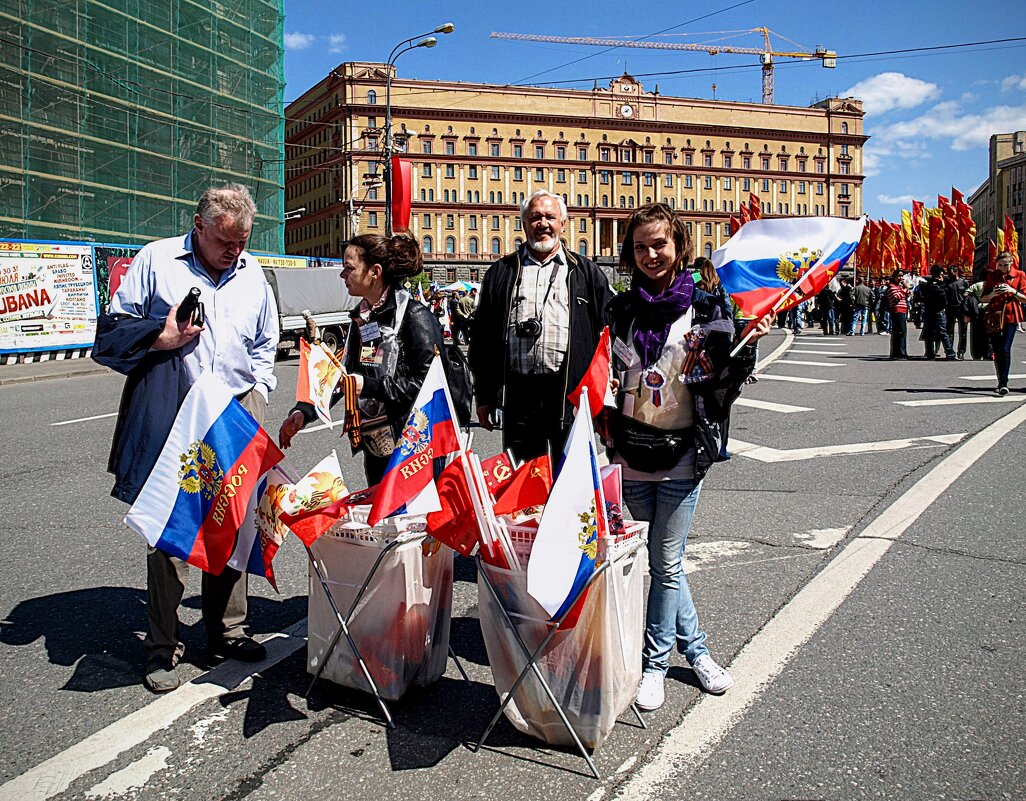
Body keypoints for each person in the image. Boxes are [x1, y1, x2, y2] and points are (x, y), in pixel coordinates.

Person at [95, 184, 279, 693]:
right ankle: (162, 644)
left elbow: (266, 341)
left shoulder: (254, 274)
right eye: (224, 241)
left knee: (234, 521)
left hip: (237, 410)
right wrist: (164, 337)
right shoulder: (156, 261)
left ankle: (228, 631)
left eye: (242, 242)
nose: (234, 251)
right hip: (177, 410)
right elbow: (111, 329)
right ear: (198, 225)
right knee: (170, 530)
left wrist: (260, 389)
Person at [605, 203, 772, 711]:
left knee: (667, 563)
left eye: (659, 244)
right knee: (663, 561)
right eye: (640, 246)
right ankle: (696, 651)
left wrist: (746, 347)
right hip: (631, 449)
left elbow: (727, 372)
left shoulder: (706, 304)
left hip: (682, 450)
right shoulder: (620, 309)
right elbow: (602, 367)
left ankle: (655, 665)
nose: (651, 254)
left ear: (678, 246)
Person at [278, 233, 445, 484]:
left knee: (414, 520)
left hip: (413, 444)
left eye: (349, 268)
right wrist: (305, 411)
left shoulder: (415, 316)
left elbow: (427, 385)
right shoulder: (362, 318)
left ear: (374, 272)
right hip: (376, 442)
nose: (342, 275)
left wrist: (369, 386)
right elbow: (342, 374)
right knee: (382, 518)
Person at [469, 190, 612, 462]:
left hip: (569, 394)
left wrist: (602, 397)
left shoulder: (585, 272)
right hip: (519, 395)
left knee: (569, 484)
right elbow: (482, 340)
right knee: (522, 484)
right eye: (535, 217)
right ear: (524, 223)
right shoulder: (502, 272)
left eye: (550, 217)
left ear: (563, 223)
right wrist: (485, 396)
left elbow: (605, 336)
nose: (543, 224)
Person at [694, 256, 734, 460]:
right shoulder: (721, 286)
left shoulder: (693, 281)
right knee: (722, 397)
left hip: (700, 342)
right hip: (723, 342)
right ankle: (722, 446)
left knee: (699, 392)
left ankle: (703, 441)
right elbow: (728, 312)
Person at [981, 252, 1026, 395]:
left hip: (1011, 315)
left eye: (1005, 265)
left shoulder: (1019, 275)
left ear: (1011, 263)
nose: (1002, 268)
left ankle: (1004, 382)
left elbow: (1025, 298)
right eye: (999, 265)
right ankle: (1000, 380)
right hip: (994, 315)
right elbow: (983, 298)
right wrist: (993, 294)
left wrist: (1013, 291)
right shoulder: (992, 276)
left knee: (1005, 348)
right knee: (997, 349)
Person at [919, 265, 956, 360]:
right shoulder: (941, 285)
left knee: (929, 333)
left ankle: (930, 353)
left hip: (928, 311)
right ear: (940, 273)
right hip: (939, 311)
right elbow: (944, 298)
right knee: (943, 333)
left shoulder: (926, 285)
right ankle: (950, 353)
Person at [944, 267, 969, 359]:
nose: (949, 275)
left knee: (963, 332)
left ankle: (961, 351)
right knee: (949, 331)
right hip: (950, 309)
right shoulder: (947, 282)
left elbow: (968, 295)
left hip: (961, 309)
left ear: (956, 272)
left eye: (951, 273)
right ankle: (950, 351)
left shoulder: (963, 282)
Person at [885, 271, 909, 359]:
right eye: (899, 276)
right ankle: (900, 353)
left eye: (902, 276)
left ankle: (897, 353)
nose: (901, 278)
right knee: (900, 332)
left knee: (900, 332)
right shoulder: (892, 287)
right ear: (894, 277)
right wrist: (905, 289)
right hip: (897, 310)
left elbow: (906, 295)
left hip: (902, 310)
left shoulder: (899, 286)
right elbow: (896, 297)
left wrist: (905, 289)